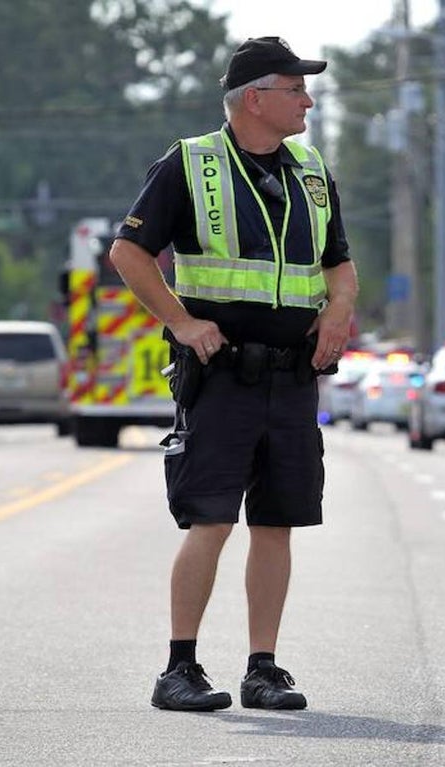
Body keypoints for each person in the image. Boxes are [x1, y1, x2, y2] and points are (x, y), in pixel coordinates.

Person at [109, 36, 358, 713]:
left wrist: (339, 307)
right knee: (211, 520)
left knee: (276, 522)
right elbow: (128, 252)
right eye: (295, 87)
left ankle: (262, 667)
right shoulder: (190, 165)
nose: (307, 100)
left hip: (292, 377)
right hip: (221, 376)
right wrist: (182, 322)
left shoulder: (310, 169)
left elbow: (339, 260)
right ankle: (178, 668)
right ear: (255, 98)